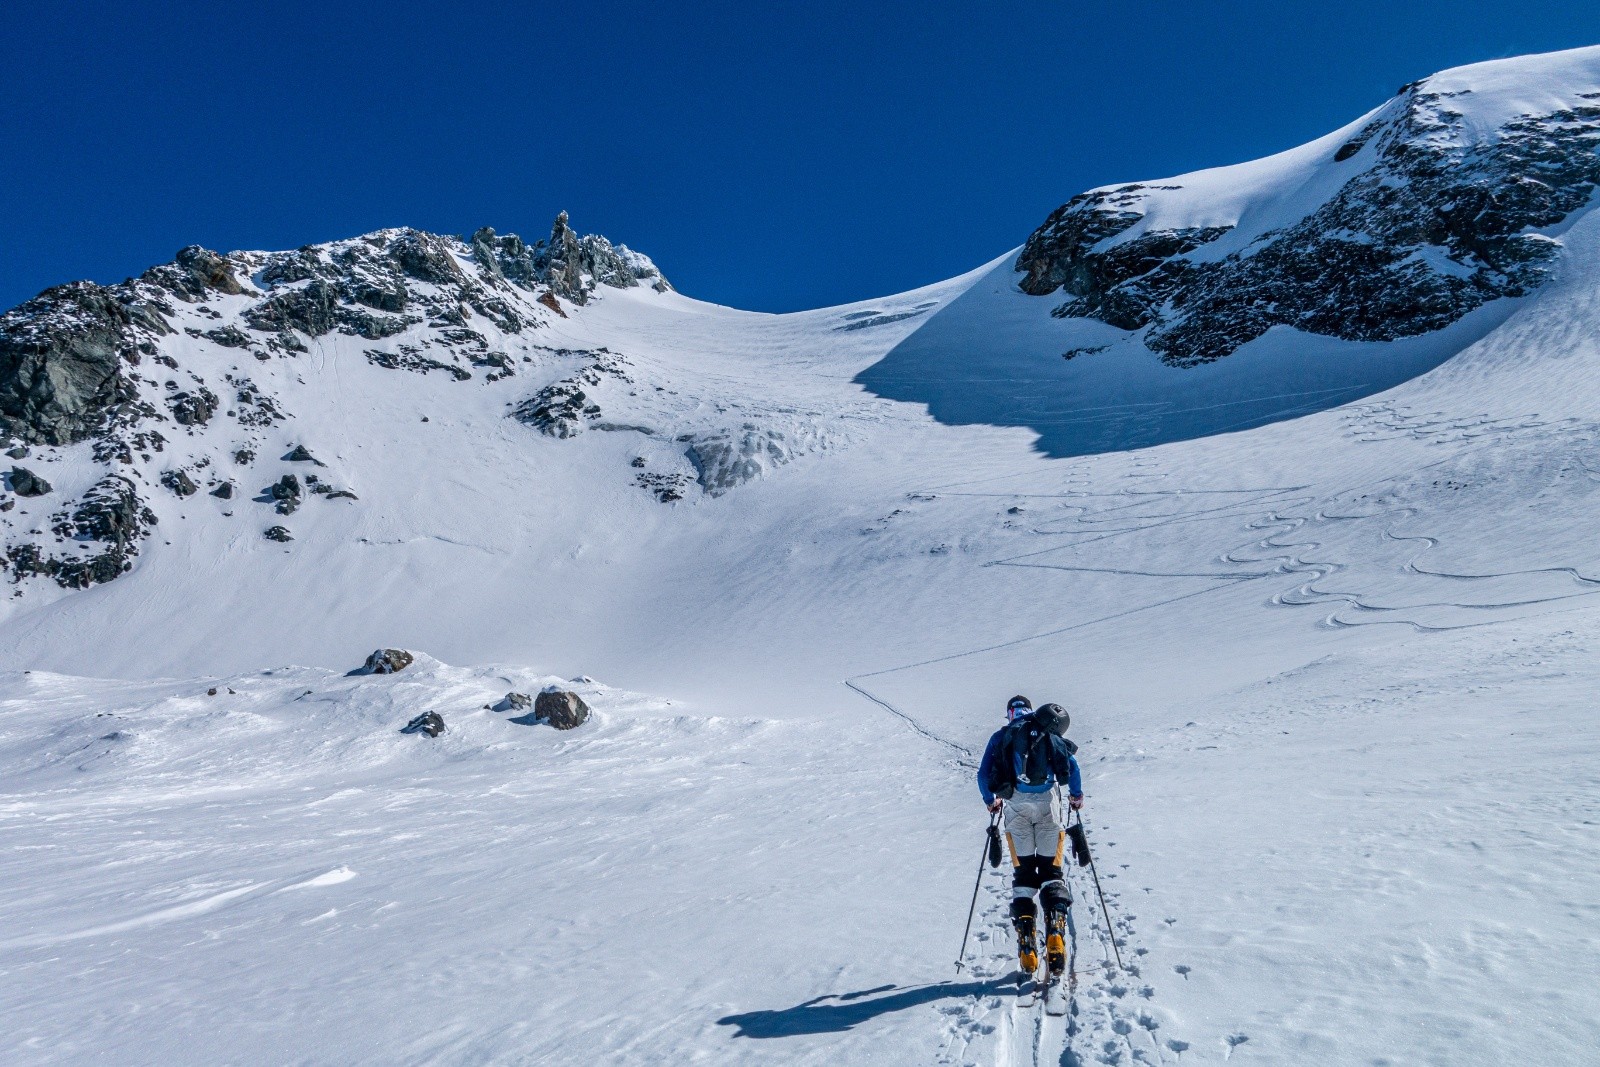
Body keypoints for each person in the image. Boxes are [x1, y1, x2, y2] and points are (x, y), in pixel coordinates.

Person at [977, 696, 1083, 977]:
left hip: (1015, 808)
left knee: (1024, 875)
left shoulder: (1002, 736)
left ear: (1010, 713)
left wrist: (991, 800)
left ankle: (1027, 944)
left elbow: (982, 774)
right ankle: (1056, 932)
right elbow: (1073, 768)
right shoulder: (1048, 730)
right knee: (1051, 872)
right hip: (1048, 807)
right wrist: (1076, 796)